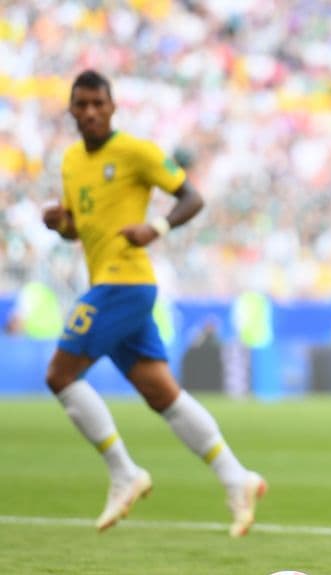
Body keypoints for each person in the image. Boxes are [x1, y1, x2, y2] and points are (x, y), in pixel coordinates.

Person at [42, 70, 266, 537]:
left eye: (97, 104)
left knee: (60, 375)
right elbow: (77, 227)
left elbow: (192, 197)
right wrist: (59, 223)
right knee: (162, 394)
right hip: (110, 282)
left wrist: (156, 229)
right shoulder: (69, 162)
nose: (89, 112)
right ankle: (236, 477)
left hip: (126, 284)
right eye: (80, 105)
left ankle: (124, 472)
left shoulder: (136, 152)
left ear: (112, 106)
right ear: (71, 110)